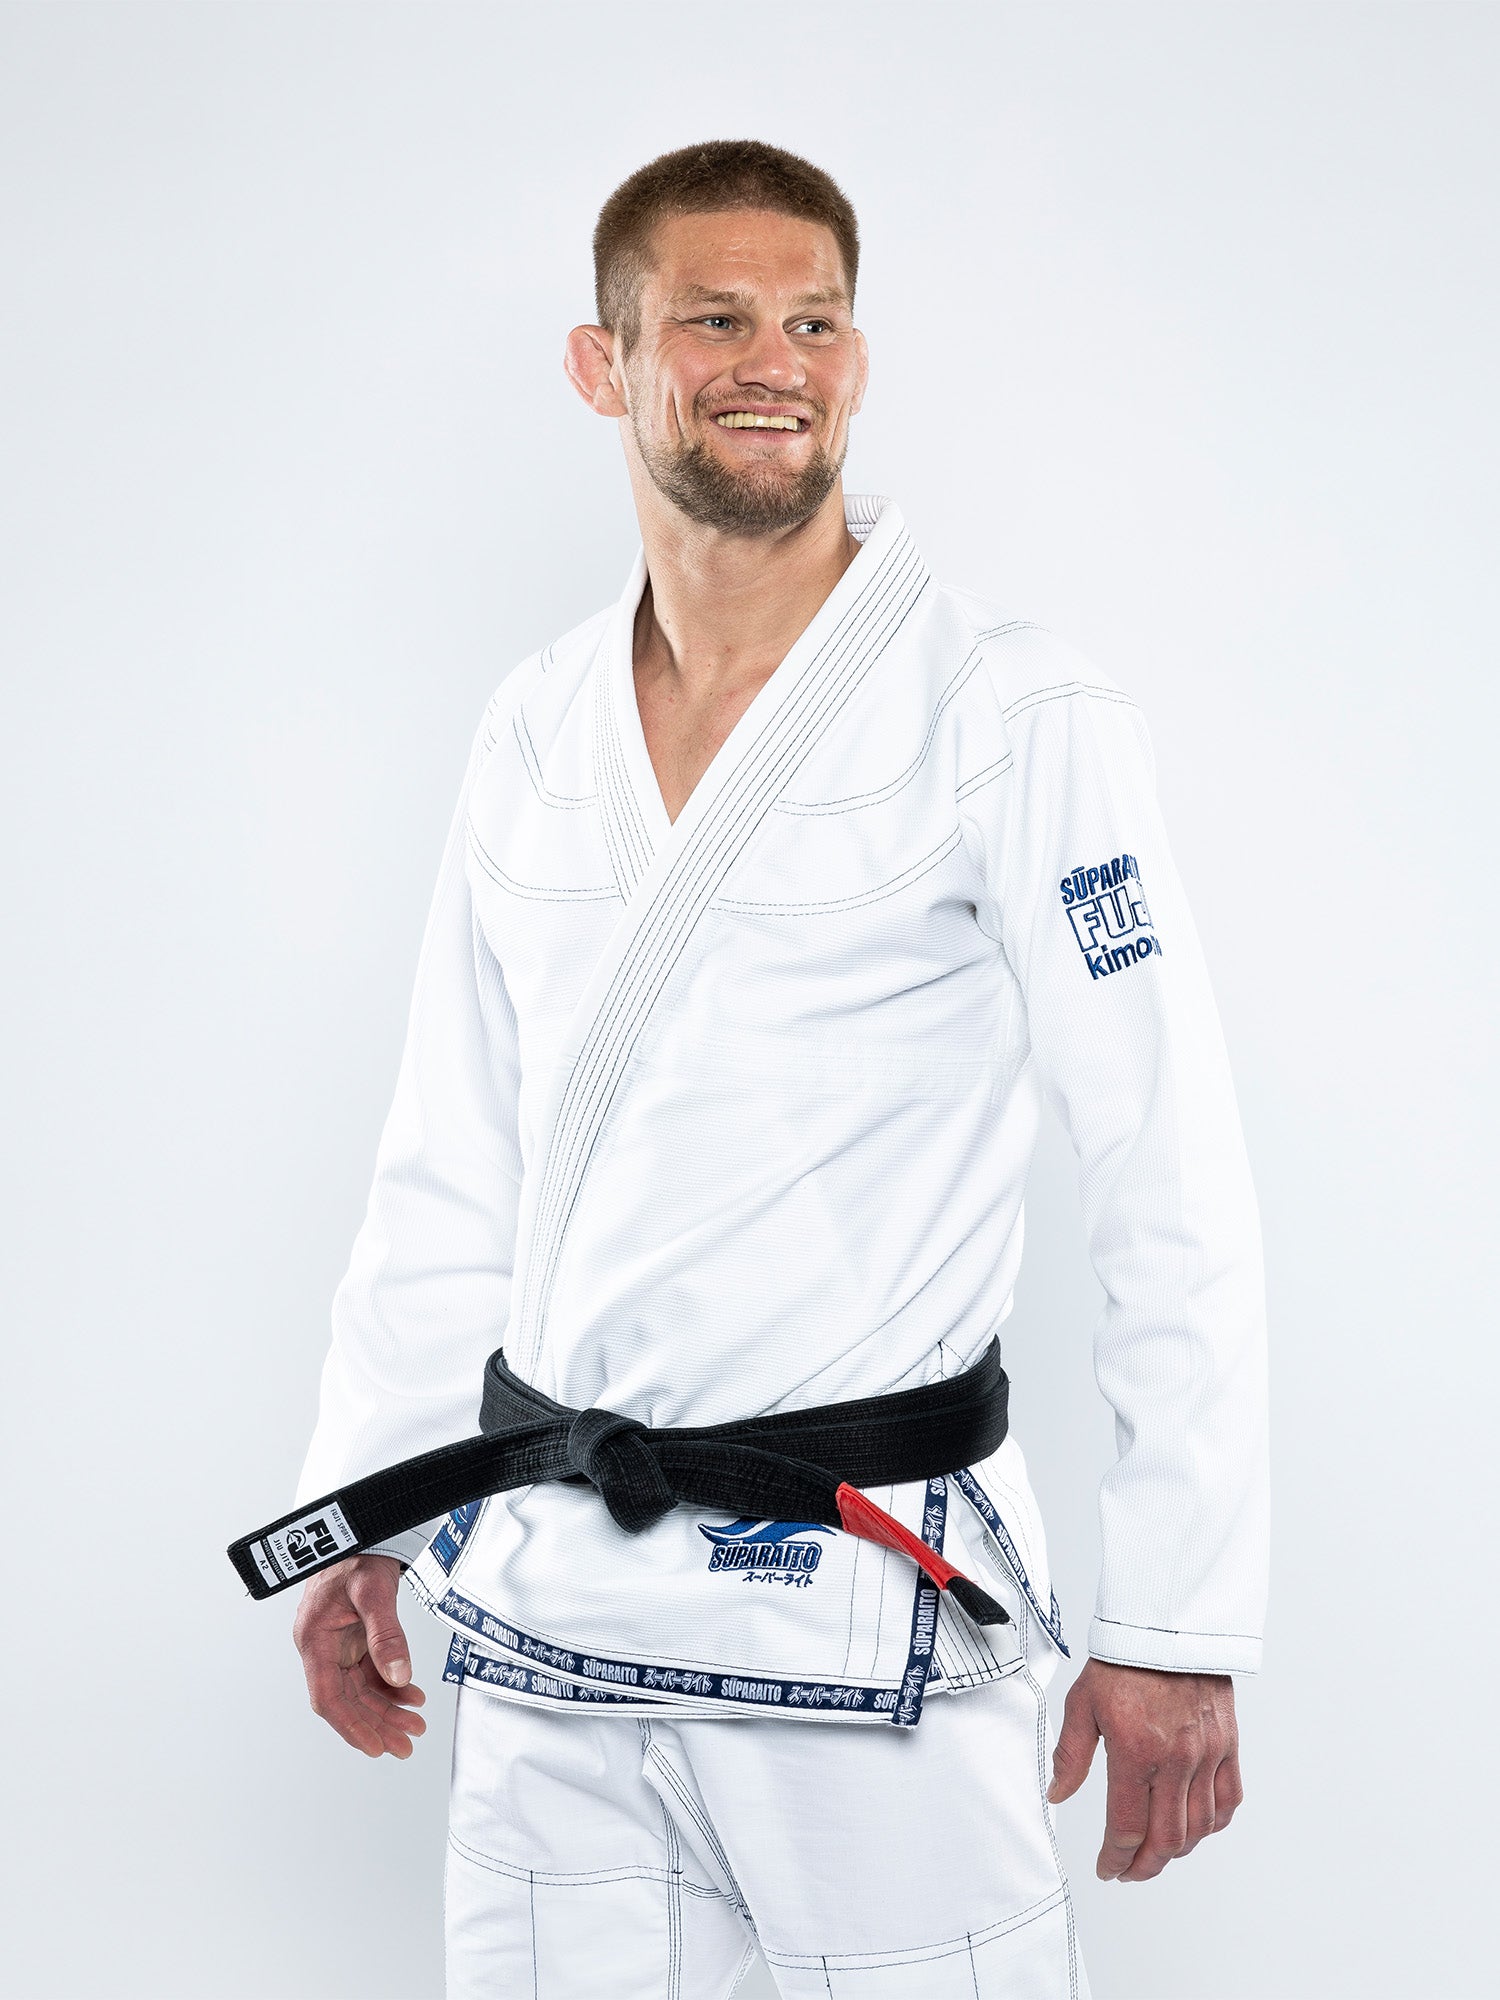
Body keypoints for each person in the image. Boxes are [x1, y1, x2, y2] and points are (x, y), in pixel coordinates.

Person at [282, 139, 1268, 1999]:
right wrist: (371, 1506)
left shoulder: (1009, 713)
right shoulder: (536, 725)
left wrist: (1181, 1618)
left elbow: (1168, 1172)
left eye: (815, 323)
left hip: (869, 1608)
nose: (775, 365)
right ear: (604, 364)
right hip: (553, 1614)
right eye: (716, 319)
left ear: (858, 361)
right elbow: (450, 1159)